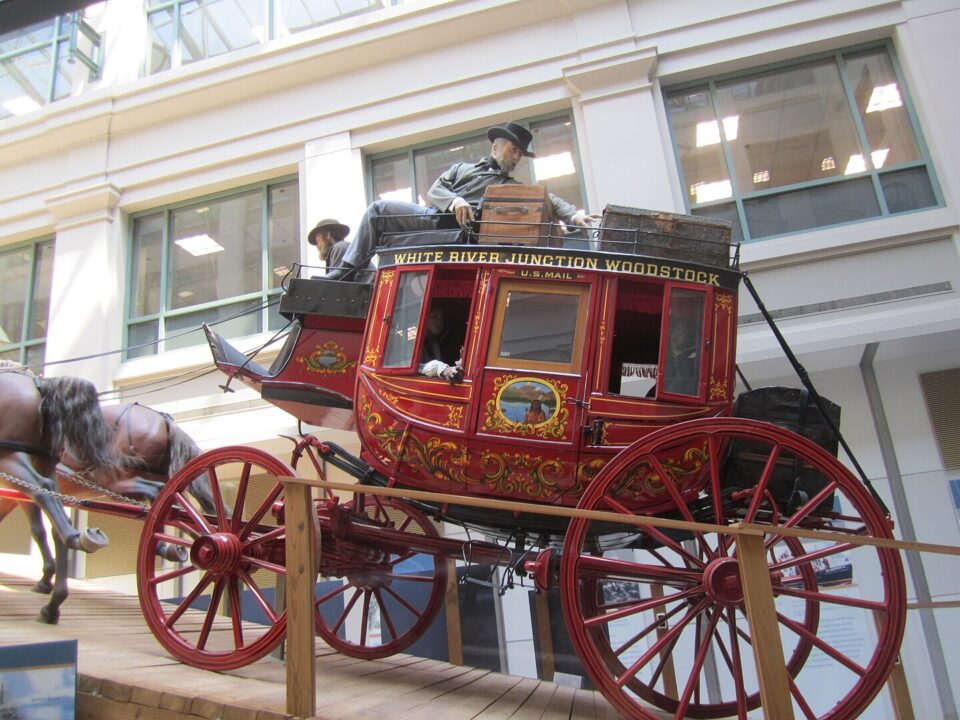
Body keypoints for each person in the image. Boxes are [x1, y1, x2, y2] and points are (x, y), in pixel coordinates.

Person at [326, 121, 599, 280]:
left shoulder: (509, 187)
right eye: (513, 150)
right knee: (377, 211)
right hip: (432, 217)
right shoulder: (461, 168)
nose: (516, 157)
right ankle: (346, 271)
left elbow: (548, 199)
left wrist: (573, 215)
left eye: (519, 154)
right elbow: (435, 190)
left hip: (460, 231)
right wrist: (455, 200)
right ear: (496, 147)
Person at [418, 307, 462, 383]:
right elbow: (415, 367)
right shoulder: (411, 343)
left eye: (442, 319)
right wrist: (439, 368)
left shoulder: (434, 343)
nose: (440, 321)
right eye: (434, 316)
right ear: (423, 317)